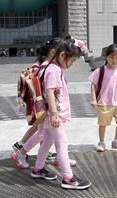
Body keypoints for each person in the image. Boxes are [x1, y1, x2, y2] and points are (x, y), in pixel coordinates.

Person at [30, 40, 91, 190]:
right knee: (62, 144)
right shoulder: (54, 70)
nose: (71, 65)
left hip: (48, 114)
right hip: (53, 115)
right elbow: (50, 91)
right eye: (71, 61)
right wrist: (55, 114)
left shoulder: (49, 67)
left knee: (47, 143)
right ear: (62, 55)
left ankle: (38, 169)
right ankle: (68, 178)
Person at [11, 38, 77, 169]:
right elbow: (48, 91)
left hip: (46, 108)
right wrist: (53, 112)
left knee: (44, 135)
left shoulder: (46, 66)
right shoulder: (49, 68)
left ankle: (31, 158)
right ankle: (23, 151)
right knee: (53, 138)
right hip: (46, 108)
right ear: (55, 52)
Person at [90, 44, 117, 152]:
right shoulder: (100, 71)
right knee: (103, 124)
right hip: (104, 103)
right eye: (111, 57)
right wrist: (93, 99)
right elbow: (93, 84)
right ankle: (101, 142)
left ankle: (116, 142)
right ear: (106, 57)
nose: (114, 60)